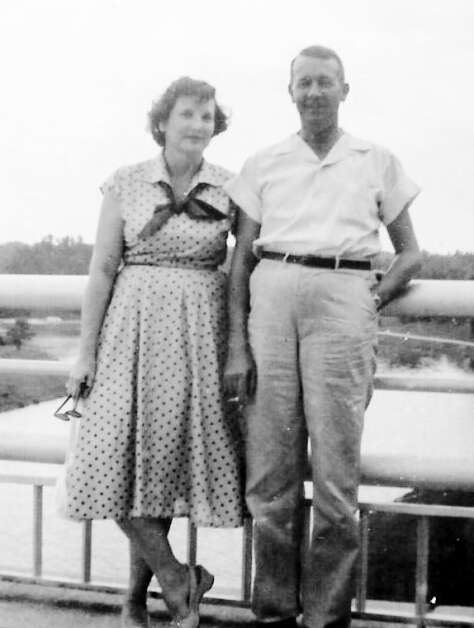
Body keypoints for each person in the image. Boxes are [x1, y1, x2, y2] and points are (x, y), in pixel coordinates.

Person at [223, 45, 421, 628]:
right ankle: (275, 611)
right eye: (304, 83)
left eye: (325, 82)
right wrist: (237, 345)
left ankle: (326, 617)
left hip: (344, 298)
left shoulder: (375, 159)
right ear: (290, 92)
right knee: (269, 476)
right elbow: (239, 266)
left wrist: (374, 296)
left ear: (344, 89)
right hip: (273, 295)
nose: (314, 92)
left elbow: (411, 253)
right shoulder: (263, 163)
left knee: (336, 476)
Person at [65, 76, 245, 628]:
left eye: (206, 116)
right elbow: (100, 271)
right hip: (130, 331)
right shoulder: (126, 182)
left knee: (160, 463)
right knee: (107, 456)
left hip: (199, 335)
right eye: (187, 114)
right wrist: (85, 353)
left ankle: (133, 599)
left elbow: (243, 269)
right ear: (162, 122)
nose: (197, 124)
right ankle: (176, 577)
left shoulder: (233, 187)